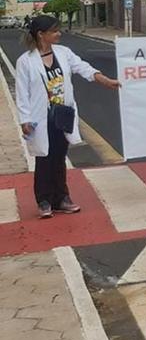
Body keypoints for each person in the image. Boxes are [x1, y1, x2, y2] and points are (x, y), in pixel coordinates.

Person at [15, 14, 120, 218]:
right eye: (54, 31)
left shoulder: (64, 53)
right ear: (40, 34)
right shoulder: (25, 61)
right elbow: (22, 93)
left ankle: (62, 198)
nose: (58, 34)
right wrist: (24, 119)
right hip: (40, 117)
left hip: (61, 114)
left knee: (59, 157)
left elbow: (83, 68)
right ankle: (44, 201)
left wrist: (104, 80)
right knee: (44, 158)